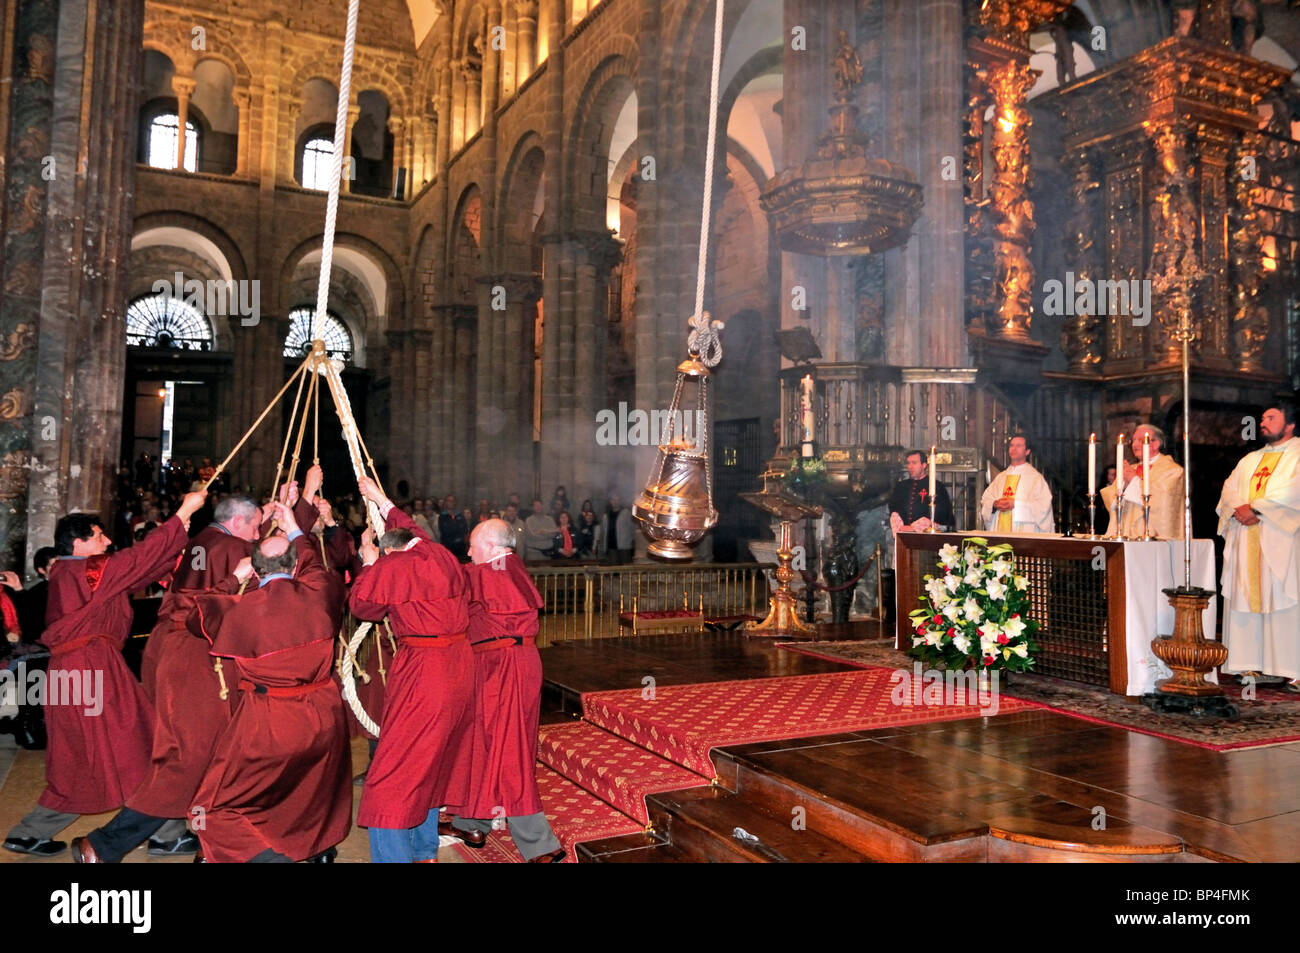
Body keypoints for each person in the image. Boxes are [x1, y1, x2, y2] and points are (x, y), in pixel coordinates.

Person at [70, 485, 286, 864]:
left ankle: (211, 846)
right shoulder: (236, 551)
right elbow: (255, 593)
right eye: (255, 528)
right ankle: (104, 845)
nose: (258, 534)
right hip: (196, 658)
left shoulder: (205, 539)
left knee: (212, 752)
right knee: (191, 757)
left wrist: (271, 513)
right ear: (237, 523)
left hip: (168, 649)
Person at [2, 489, 207, 858]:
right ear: (79, 543)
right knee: (141, 746)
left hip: (71, 672)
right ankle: (165, 831)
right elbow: (135, 560)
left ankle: (29, 833)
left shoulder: (73, 572)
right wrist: (180, 514)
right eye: (99, 536)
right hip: (91, 670)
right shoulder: (87, 571)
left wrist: (180, 530)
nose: (108, 541)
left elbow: (142, 568)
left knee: (79, 759)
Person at [187, 500, 351, 862]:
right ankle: (317, 850)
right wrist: (294, 525)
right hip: (324, 716)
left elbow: (195, 612)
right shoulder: (322, 591)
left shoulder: (237, 608)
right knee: (311, 788)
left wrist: (236, 578)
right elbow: (313, 562)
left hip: (270, 720)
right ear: (293, 567)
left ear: (256, 572)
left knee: (212, 806)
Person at [349, 476, 475, 863]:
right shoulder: (439, 553)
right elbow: (414, 530)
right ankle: (424, 852)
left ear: (392, 553)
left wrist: (370, 565)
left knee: (394, 770)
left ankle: (395, 858)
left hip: (426, 672)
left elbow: (362, 607)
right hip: (459, 666)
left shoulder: (395, 566)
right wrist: (381, 500)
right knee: (430, 762)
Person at [443, 520, 564, 862]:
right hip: (498, 666)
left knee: (509, 749)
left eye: (473, 545)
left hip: (506, 668)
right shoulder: (500, 569)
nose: (468, 552)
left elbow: (448, 573)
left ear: (495, 548)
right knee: (486, 742)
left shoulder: (497, 569)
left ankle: (540, 845)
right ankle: (472, 821)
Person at [1217, 403, 1300, 692]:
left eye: (1271, 418)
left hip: (1283, 541)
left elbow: (1295, 491)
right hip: (1247, 538)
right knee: (1248, 595)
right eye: (1262, 418)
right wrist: (1239, 507)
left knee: (1283, 597)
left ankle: (1292, 668)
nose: (1262, 422)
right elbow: (1229, 488)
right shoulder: (1250, 459)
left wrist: (1257, 508)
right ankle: (1254, 663)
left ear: (1289, 424)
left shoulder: (1299, 454)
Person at [979, 435, 1055, 533]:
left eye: (1018, 445)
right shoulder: (1001, 477)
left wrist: (1016, 504)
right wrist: (994, 504)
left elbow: (1044, 507)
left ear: (1027, 451)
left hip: (1024, 534)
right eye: (1011, 445)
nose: (1014, 449)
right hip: (999, 532)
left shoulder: (1035, 478)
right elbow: (985, 499)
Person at [889, 450, 954, 533]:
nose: (910, 466)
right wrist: (901, 526)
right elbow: (894, 508)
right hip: (903, 533)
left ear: (924, 465)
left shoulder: (937, 486)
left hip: (926, 535)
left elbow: (942, 512)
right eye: (908, 463)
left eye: (914, 463)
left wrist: (915, 527)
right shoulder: (901, 486)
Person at [603, 494, 634, 564]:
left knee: (625, 567)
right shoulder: (606, 515)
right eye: (613, 500)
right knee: (614, 568)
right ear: (610, 502)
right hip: (611, 545)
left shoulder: (626, 513)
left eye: (617, 500)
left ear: (620, 501)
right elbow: (604, 531)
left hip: (624, 545)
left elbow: (632, 527)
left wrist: (631, 540)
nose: (615, 502)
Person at [439, 494, 468, 560]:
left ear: (455, 502)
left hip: (460, 548)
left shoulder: (460, 515)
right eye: (449, 501)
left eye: (452, 501)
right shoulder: (442, 516)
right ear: (446, 502)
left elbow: (464, 530)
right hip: (447, 547)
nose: (451, 503)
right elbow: (444, 530)